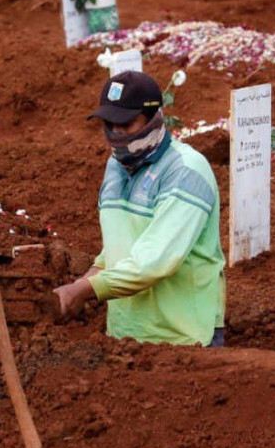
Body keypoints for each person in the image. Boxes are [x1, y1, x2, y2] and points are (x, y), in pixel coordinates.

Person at [52, 71, 227, 346]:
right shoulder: (115, 167)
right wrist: (80, 284)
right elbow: (119, 248)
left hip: (183, 340)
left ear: (154, 118)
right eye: (109, 124)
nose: (116, 133)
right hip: (125, 340)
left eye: (126, 123)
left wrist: (83, 290)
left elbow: (154, 262)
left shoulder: (186, 171)